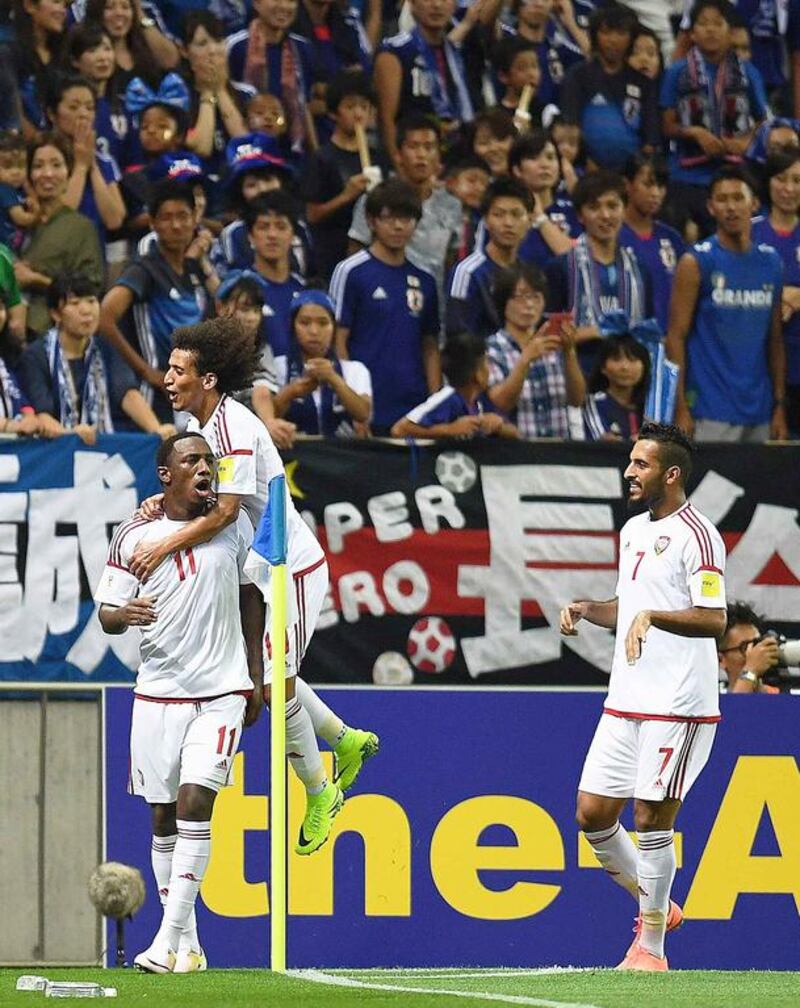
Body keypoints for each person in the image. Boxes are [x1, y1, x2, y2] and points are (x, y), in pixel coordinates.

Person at [130, 318, 380, 855]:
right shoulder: (205, 433)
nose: (167, 379)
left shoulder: (234, 428)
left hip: (289, 569)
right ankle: (344, 739)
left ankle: (319, 792)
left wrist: (161, 545)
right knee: (269, 674)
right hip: (263, 573)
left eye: (179, 371)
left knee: (272, 683)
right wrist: (162, 505)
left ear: (210, 379)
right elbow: (202, 501)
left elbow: (223, 513)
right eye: (168, 368)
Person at [560, 421, 728, 971]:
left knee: (651, 816)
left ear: (671, 474)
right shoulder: (633, 530)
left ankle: (650, 946)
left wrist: (652, 617)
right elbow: (630, 606)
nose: (629, 472)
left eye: (641, 464)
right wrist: (592, 609)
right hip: (625, 697)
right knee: (592, 814)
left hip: (679, 703)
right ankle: (657, 904)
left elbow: (714, 619)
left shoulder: (699, 536)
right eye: (631, 462)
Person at [95, 431, 265, 973]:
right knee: (163, 817)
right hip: (157, 693)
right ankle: (187, 947)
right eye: (191, 459)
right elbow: (107, 614)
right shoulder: (133, 534)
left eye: (209, 459)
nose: (205, 466)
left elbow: (250, 592)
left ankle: (165, 941)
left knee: (197, 803)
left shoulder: (231, 523)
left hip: (221, 689)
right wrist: (127, 615)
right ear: (165, 474)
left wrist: (256, 673)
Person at [666, 165, 787, 443]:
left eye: (738, 198)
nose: (731, 207)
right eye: (722, 199)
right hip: (709, 409)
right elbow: (675, 337)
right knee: (709, 487)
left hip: (760, 410)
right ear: (710, 207)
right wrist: (680, 408)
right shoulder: (695, 262)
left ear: (754, 203)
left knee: (759, 488)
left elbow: (775, 341)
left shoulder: (771, 263)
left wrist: (779, 406)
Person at [332, 178, 440, 435]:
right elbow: (338, 342)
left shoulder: (425, 279)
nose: (399, 226)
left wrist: (433, 404)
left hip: (413, 406)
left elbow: (430, 346)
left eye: (407, 218)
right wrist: (353, 402)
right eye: (389, 218)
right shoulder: (351, 271)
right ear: (371, 221)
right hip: (366, 404)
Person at [99, 180, 212, 421]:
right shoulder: (144, 270)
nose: (176, 225)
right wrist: (146, 371)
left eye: (183, 216)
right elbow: (104, 317)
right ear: (152, 223)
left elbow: (225, 309)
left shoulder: (193, 270)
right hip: (155, 398)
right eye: (166, 217)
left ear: (194, 219)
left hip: (191, 395)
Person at [18, 273, 174, 442]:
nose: (86, 311)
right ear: (56, 314)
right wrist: (70, 436)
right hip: (56, 450)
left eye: (91, 301)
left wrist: (157, 428)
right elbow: (42, 415)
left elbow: (127, 393)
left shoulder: (104, 348)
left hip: (100, 445)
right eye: (75, 303)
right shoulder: (36, 355)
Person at [660, 0, 768, 239]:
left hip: (734, 171)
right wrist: (696, 133)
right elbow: (666, 125)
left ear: (730, 31)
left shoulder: (748, 72)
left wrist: (745, 142)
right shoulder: (676, 72)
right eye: (703, 23)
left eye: (717, 23)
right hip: (685, 174)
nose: (710, 29)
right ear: (692, 33)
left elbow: (763, 121)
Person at [348, 113, 462, 305]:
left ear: (438, 157)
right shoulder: (375, 199)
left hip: (432, 308)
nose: (421, 155)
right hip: (381, 301)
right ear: (398, 155)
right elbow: (354, 256)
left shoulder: (452, 205)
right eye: (413, 146)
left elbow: (450, 262)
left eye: (429, 147)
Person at [546, 169, 650, 374]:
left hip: (627, 382)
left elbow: (646, 331)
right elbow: (548, 338)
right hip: (577, 377)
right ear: (580, 216)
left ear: (624, 210)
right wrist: (595, 332)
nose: (605, 215)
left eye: (613, 206)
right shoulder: (560, 268)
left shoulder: (639, 270)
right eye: (594, 207)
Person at [15, 134, 104, 339]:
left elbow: (90, 288)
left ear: (68, 172)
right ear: (28, 175)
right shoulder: (15, 220)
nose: (47, 174)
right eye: (38, 166)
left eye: (56, 165)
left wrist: (35, 279)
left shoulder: (81, 227)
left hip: (51, 335)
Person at [486, 262, 585, 438]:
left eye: (536, 297)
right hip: (516, 452)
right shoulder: (492, 349)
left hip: (559, 450)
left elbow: (577, 399)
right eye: (520, 297)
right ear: (503, 303)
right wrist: (525, 360)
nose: (529, 305)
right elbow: (501, 402)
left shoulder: (554, 344)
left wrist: (569, 352)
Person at [374, 0, 476, 168]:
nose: (437, 5)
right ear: (412, 4)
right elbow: (386, 120)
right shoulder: (394, 52)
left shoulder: (456, 54)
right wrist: (400, 169)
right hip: (412, 163)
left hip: (454, 161)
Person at [303, 70, 384, 283]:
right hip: (333, 253)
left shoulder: (378, 157)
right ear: (334, 113)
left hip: (373, 253)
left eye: (364, 107)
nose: (358, 114)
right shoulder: (322, 158)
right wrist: (346, 196)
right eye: (350, 106)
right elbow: (312, 215)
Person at [560, 4, 659, 172]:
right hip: (585, 172)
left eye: (621, 33)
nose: (613, 40)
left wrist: (632, 176)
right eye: (606, 32)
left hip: (631, 178)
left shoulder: (643, 84)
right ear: (594, 35)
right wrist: (589, 167)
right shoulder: (578, 76)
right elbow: (570, 129)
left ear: (632, 37)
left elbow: (650, 140)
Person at [215, 269, 297, 449]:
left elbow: (261, 390)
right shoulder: (200, 348)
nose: (251, 318)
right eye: (244, 309)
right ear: (220, 308)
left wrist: (269, 422)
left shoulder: (262, 350)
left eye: (256, 310)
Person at [273, 288, 372, 436]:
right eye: (305, 323)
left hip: (340, 456)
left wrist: (334, 379)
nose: (314, 331)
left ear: (334, 328)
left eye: (323, 323)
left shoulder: (354, 370)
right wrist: (292, 392)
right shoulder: (278, 366)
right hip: (291, 456)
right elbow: (266, 417)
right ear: (293, 327)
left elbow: (363, 414)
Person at [447, 177, 533, 341]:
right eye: (498, 214)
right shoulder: (467, 273)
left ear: (529, 220)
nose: (508, 223)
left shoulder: (528, 274)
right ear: (486, 220)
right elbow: (458, 338)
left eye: (516, 214)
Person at [391, 329, 519, 440]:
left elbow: (515, 433)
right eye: (486, 363)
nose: (489, 370)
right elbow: (400, 429)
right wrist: (449, 429)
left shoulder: (481, 401)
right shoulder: (447, 398)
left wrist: (499, 425)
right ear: (477, 374)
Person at [751, 152, 800, 437]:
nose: (789, 188)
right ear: (768, 183)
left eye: (797, 180)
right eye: (781, 179)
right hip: (761, 368)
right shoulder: (750, 231)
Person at [620, 153, 685, 334]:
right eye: (648, 185)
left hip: (666, 342)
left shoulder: (672, 239)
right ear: (627, 185)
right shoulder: (613, 236)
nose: (655, 193)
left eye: (661, 186)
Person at [243, 190, 306, 357]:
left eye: (281, 226)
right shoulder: (239, 292)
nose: (272, 235)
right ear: (250, 236)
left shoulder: (305, 291)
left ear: (293, 235)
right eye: (263, 227)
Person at [509, 130, 578, 270]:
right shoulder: (505, 213)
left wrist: (540, 218)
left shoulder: (574, 210)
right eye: (534, 158)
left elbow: (579, 259)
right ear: (517, 170)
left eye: (551, 157)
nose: (545, 164)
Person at [582, 332, 650, 441]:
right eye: (616, 359)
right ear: (603, 367)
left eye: (632, 360)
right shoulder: (594, 402)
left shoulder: (651, 407)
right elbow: (601, 442)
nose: (625, 367)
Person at [718, 600, 781, 694]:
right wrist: (751, 671)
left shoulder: (781, 698)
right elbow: (736, 708)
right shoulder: (713, 703)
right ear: (721, 660)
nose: (756, 652)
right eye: (744, 647)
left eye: (757, 643)